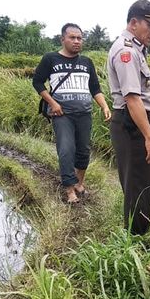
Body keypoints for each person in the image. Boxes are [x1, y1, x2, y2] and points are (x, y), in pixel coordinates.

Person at [32, 23, 111, 204]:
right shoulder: (51, 59)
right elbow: (37, 83)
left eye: (79, 38)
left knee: (83, 150)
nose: (76, 41)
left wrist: (104, 106)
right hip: (62, 115)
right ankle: (69, 191)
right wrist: (53, 103)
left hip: (84, 113)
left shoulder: (86, 62)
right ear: (63, 39)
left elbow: (95, 88)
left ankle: (79, 182)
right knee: (66, 150)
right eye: (72, 38)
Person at [107, 0, 150, 235]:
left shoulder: (136, 49)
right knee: (138, 186)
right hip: (134, 125)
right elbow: (133, 99)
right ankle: (136, 243)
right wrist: (149, 138)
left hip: (135, 123)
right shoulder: (126, 52)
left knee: (139, 184)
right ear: (133, 23)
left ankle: (136, 238)